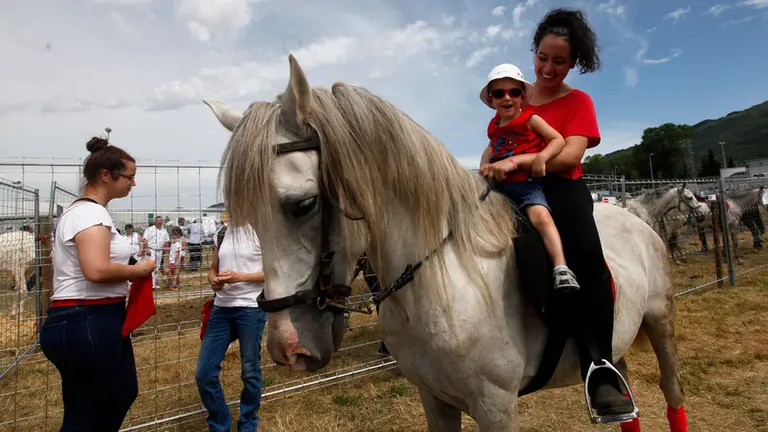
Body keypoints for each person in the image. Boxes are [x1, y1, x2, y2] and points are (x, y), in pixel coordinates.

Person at [479, 8, 635, 417]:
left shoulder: (578, 101)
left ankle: (600, 366)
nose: (549, 68)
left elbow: (569, 154)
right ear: (535, 54)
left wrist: (517, 163)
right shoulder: (517, 95)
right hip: (512, 188)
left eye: (560, 61)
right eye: (543, 58)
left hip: (561, 186)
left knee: (586, 255)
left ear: (574, 63)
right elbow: (495, 146)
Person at [39, 136, 156, 431]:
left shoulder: (91, 213)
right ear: (106, 176)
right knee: (89, 412)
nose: (133, 183)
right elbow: (96, 270)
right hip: (86, 318)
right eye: (129, 176)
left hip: (95, 317)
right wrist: (139, 271)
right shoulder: (89, 213)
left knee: (117, 394)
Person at [478, 63, 580, 294]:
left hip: (525, 184)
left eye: (514, 92)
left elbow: (558, 140)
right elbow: (491, 147)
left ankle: (561, 267)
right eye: (499, 93)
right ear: (491, 100)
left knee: (540, 216)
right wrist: (485, 165)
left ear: (522, 97)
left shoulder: (530, 119)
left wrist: (542, 157)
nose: (507, 97)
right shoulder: (494, 125)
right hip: (500, 184)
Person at [195, 219, 267, 432]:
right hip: (221, 308)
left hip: (251, 308)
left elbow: (273, 272)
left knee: (250, 371)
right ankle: (220, 424)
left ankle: (248, 423)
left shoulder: (262, 230)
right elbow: (213, 269)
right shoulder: (222, 232)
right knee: (204, 374)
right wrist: (214, 280)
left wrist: (240, 277)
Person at [143, 216, 170, 289]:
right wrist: (147, 249)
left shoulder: (164, 231)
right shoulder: (149, 230)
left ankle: (154, 283)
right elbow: (145, 240)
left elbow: (167, 241)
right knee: (151, 266)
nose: (160, 222)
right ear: (155, 222)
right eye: (158, 220)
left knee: (157, 267)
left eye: (161, 220)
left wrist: (167, 248)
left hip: (160, 251)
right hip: (151, 250)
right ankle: (150, 284)